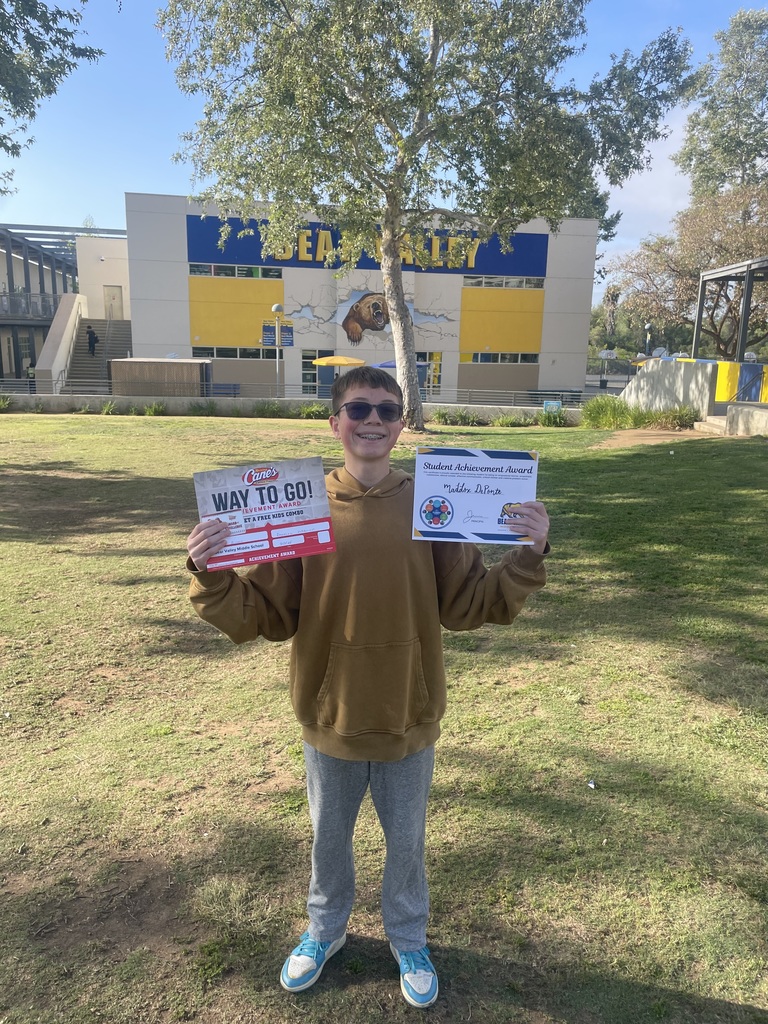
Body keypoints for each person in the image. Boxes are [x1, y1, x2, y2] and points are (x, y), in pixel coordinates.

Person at [185, 367, 550, 1009]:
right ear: (335, 422)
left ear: (402, 422)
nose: (373, 420)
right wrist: (210, 575)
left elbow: (466, 604)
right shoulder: (302, 505)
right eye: (358, 408)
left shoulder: (432, 501)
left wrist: (525, 558)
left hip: (407, 714)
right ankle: (324, 931)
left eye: (387, 409)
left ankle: (408, 938)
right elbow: (269, 613)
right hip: (331, 716)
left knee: (406, 844)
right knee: (329, 840)